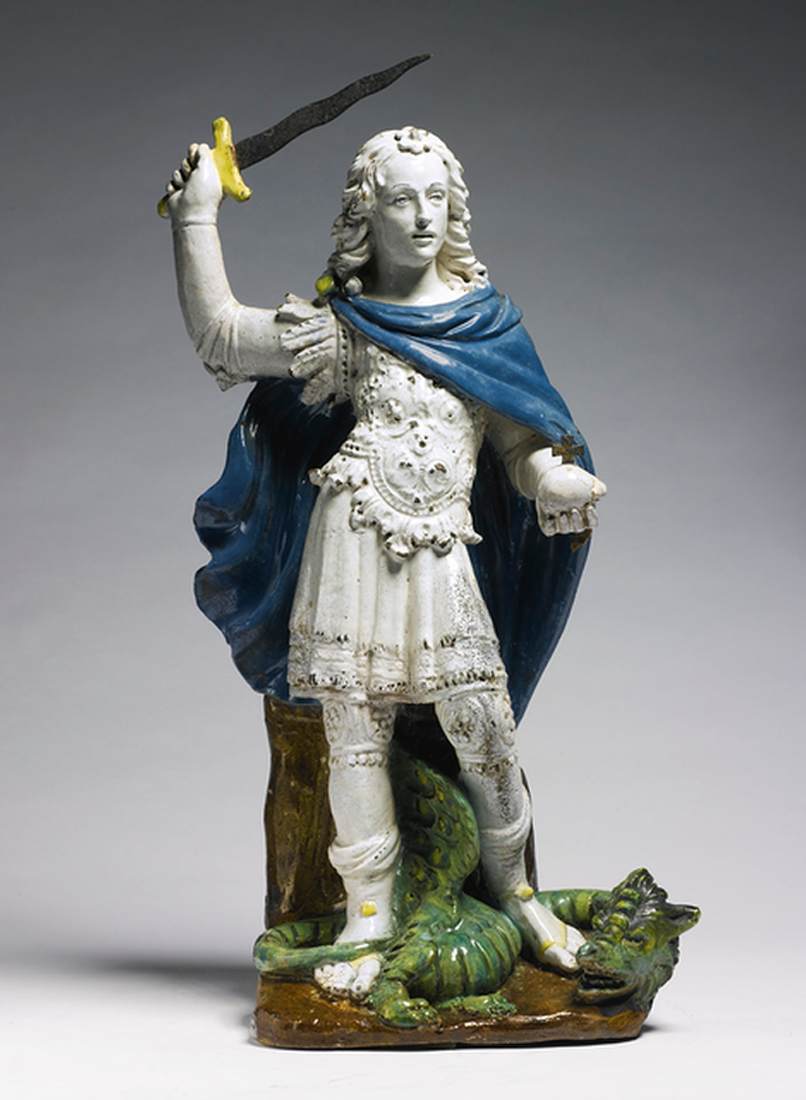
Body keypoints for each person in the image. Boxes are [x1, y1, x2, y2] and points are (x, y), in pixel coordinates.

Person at [166, 126, 606, 998]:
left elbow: (520, 444)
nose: (421, 216)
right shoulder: (347, 325)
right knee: (354, 735)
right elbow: (222, 338)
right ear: (368, 214)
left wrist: (554, 478)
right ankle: (368, 916)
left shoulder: (484, 326)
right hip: (353, 541)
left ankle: (517, 896)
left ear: (457, 209)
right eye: (401, 200)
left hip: (442, 547)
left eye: (435, 198)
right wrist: (195, 218)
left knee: (485, 728)